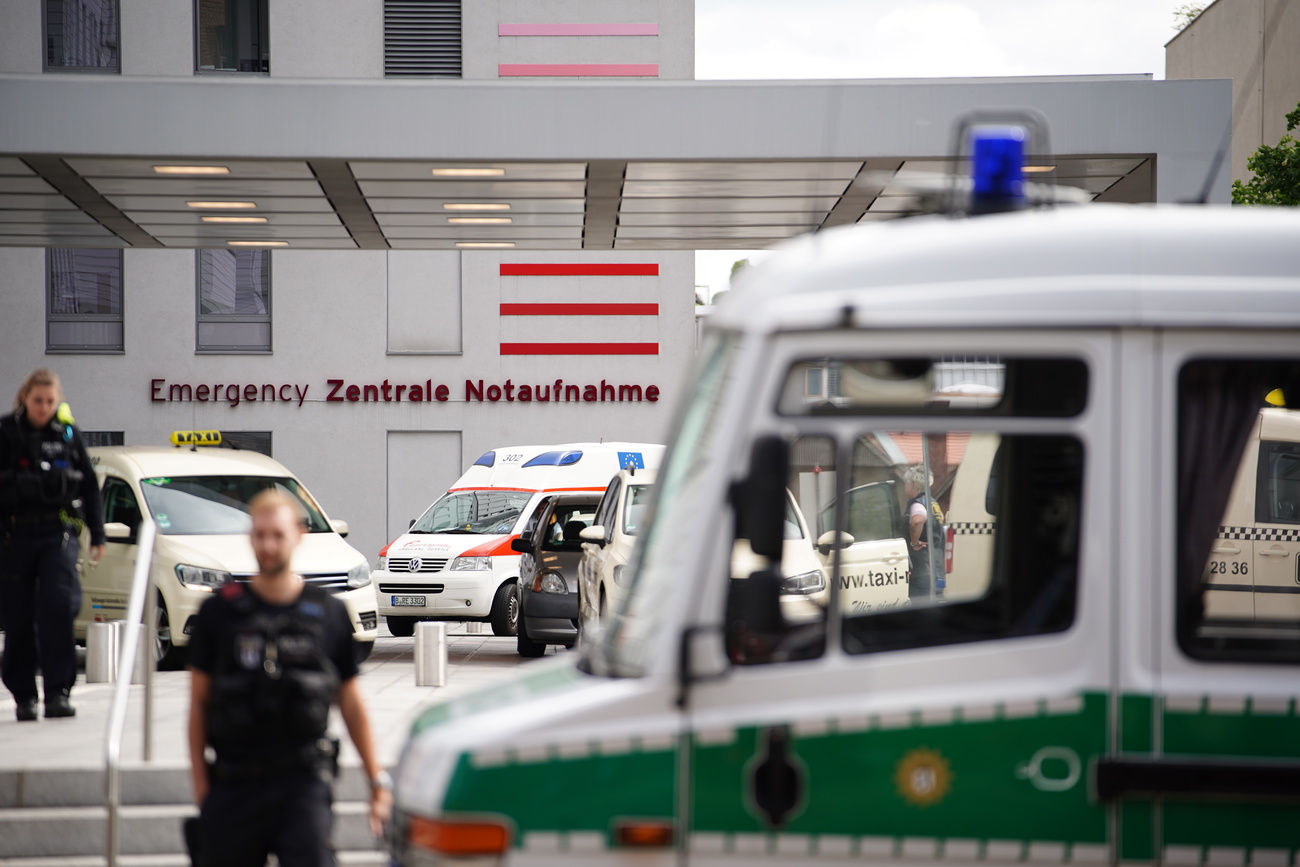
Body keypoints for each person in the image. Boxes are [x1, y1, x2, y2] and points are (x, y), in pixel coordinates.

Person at [187, 489, 391, 866]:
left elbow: (351, 704)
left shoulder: (327, 614)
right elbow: (199, 705)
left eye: (277, 535)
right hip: (234, 783)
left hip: (302, 783)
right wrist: (203, 787)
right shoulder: (219, 614)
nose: (268, 545)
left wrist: (376, 780)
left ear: (297, 535)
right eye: (260, 534)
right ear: (250, 537)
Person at [0, 368, 104, 721]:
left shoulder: (68, 435)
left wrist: (99, 534)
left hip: (56, 534)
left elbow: (89, 485)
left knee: (58, 608)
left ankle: (58, 692)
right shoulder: (6, 432)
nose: (44, 408)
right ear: (25, 398)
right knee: (18, 617)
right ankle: (24, 696)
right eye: (37, 401)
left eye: (49, 401)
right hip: (14, 536)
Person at [903, 465, 945, 602]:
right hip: (937, 567)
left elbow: (918, 520)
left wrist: (914, 542)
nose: (905, 487)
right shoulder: (933, 503)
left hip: (921, 568)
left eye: (906, 483)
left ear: (913, 485)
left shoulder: (917, 504)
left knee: (920, 609)